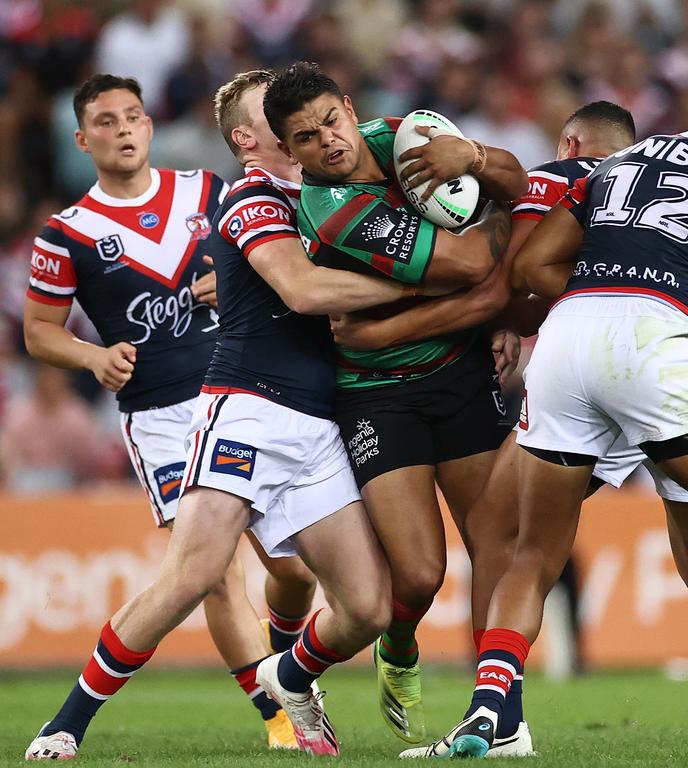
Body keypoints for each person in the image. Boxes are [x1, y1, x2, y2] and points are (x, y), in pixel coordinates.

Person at [23, 67, 457, 761]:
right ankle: (68, 721)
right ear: (248, 139)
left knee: (368, 608)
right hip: (247, 408)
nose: (298, 124)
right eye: (278, 116)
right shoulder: (253, 195)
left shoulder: (325, 192)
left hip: (319, 422)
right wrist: (430, 276)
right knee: (196, 575)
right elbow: (306, 289)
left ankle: (286, 679)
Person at [337, 101, 688, 757]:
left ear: (570, 140)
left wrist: (407, 329)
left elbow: (510, 284)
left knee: (501, 530)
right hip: (680, 362)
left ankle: (498, 716)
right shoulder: (665, 179)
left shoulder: (557, 179)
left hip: (586, 363)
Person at [426, 50, 688, 759]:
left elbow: (531, 267)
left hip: (568, 343)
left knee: (532, 551)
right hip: (658, 344)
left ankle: (492, 713)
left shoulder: (621, 162)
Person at [21, 72, 318, 751]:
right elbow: (39, 332)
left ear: (150, 126)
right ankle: (279, 721)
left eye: (133, 116)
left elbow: (267, 257)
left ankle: (289, 673)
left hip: (242, 395)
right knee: (210, 576)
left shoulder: (208, 193)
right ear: (82, 138)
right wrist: (93, 359)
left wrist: (234, 280)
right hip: (158, 414)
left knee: (294, 573)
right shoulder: (66, 233)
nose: (122, 129)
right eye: (105, 121)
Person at [262, 61, 527, 744]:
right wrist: (499, 272)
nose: (327, 140)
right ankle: (397, 644)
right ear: (288, 153)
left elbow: (516, 188)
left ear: (349, 108)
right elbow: (474, 265)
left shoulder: (404, 137)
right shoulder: (332, 211)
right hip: (379, 396)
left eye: (330, 120)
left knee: (495, 543)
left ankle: (493, 717)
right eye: (306, 137)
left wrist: (475, 158)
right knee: (417, 574)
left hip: (459, 372)